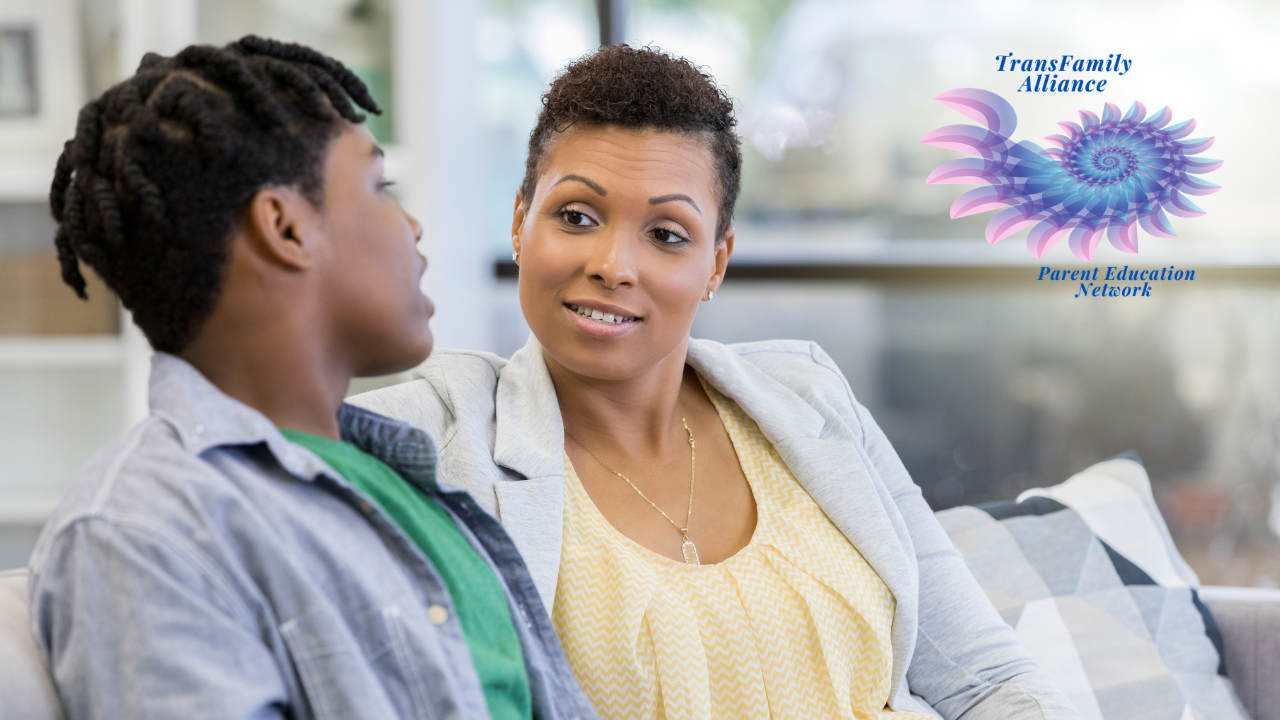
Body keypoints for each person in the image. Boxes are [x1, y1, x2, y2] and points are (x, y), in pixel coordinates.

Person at [353, 45, 1079, 720]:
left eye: (667, 234)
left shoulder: (810, 403)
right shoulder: (442, 437)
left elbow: (988, 679)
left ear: (717, 261)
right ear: (520, 222)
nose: (614, 264)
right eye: (576, 216)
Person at [28, 37, 597, 720]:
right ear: (286, 227)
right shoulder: (140, 529)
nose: (413, 226)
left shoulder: (408, 477)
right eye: (379, 188)